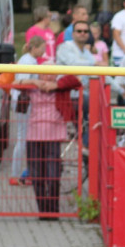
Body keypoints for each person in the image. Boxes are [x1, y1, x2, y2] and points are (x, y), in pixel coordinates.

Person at [25, 72, 79, 220]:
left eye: (51, 75)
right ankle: (43, 211)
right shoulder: (33, 87)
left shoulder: (61, 88)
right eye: (44, 75)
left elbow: (76, 80)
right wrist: (33, 81)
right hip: (34, 137)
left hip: (54, 136)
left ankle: (53, 211)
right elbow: (13, 83)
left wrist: (56, 85)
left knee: (53, 175)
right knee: (37, 176)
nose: (48, 78)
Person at [11, 36, 47, 186]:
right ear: (34, 47)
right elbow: (21, 82)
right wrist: (35, 81)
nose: (44, 50)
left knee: (26, 136)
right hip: (23, 102)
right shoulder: (27, 61)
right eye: (42, 47)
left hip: (25, 102)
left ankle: (25, 172)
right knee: (22, 137)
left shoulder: (30, 60)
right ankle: (15, 174)